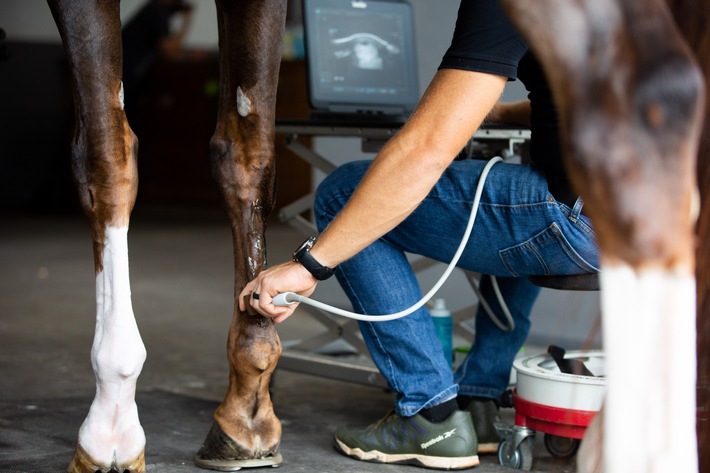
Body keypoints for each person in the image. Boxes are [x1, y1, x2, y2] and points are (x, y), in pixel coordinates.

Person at [240, 0, 599, 469]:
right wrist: (487, 113)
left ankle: (431, 414)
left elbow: (426, 149)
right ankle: (480, 400)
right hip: (649, 228)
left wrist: (310, 265)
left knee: (342, 193)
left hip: (575, 222)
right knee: (508, 185)